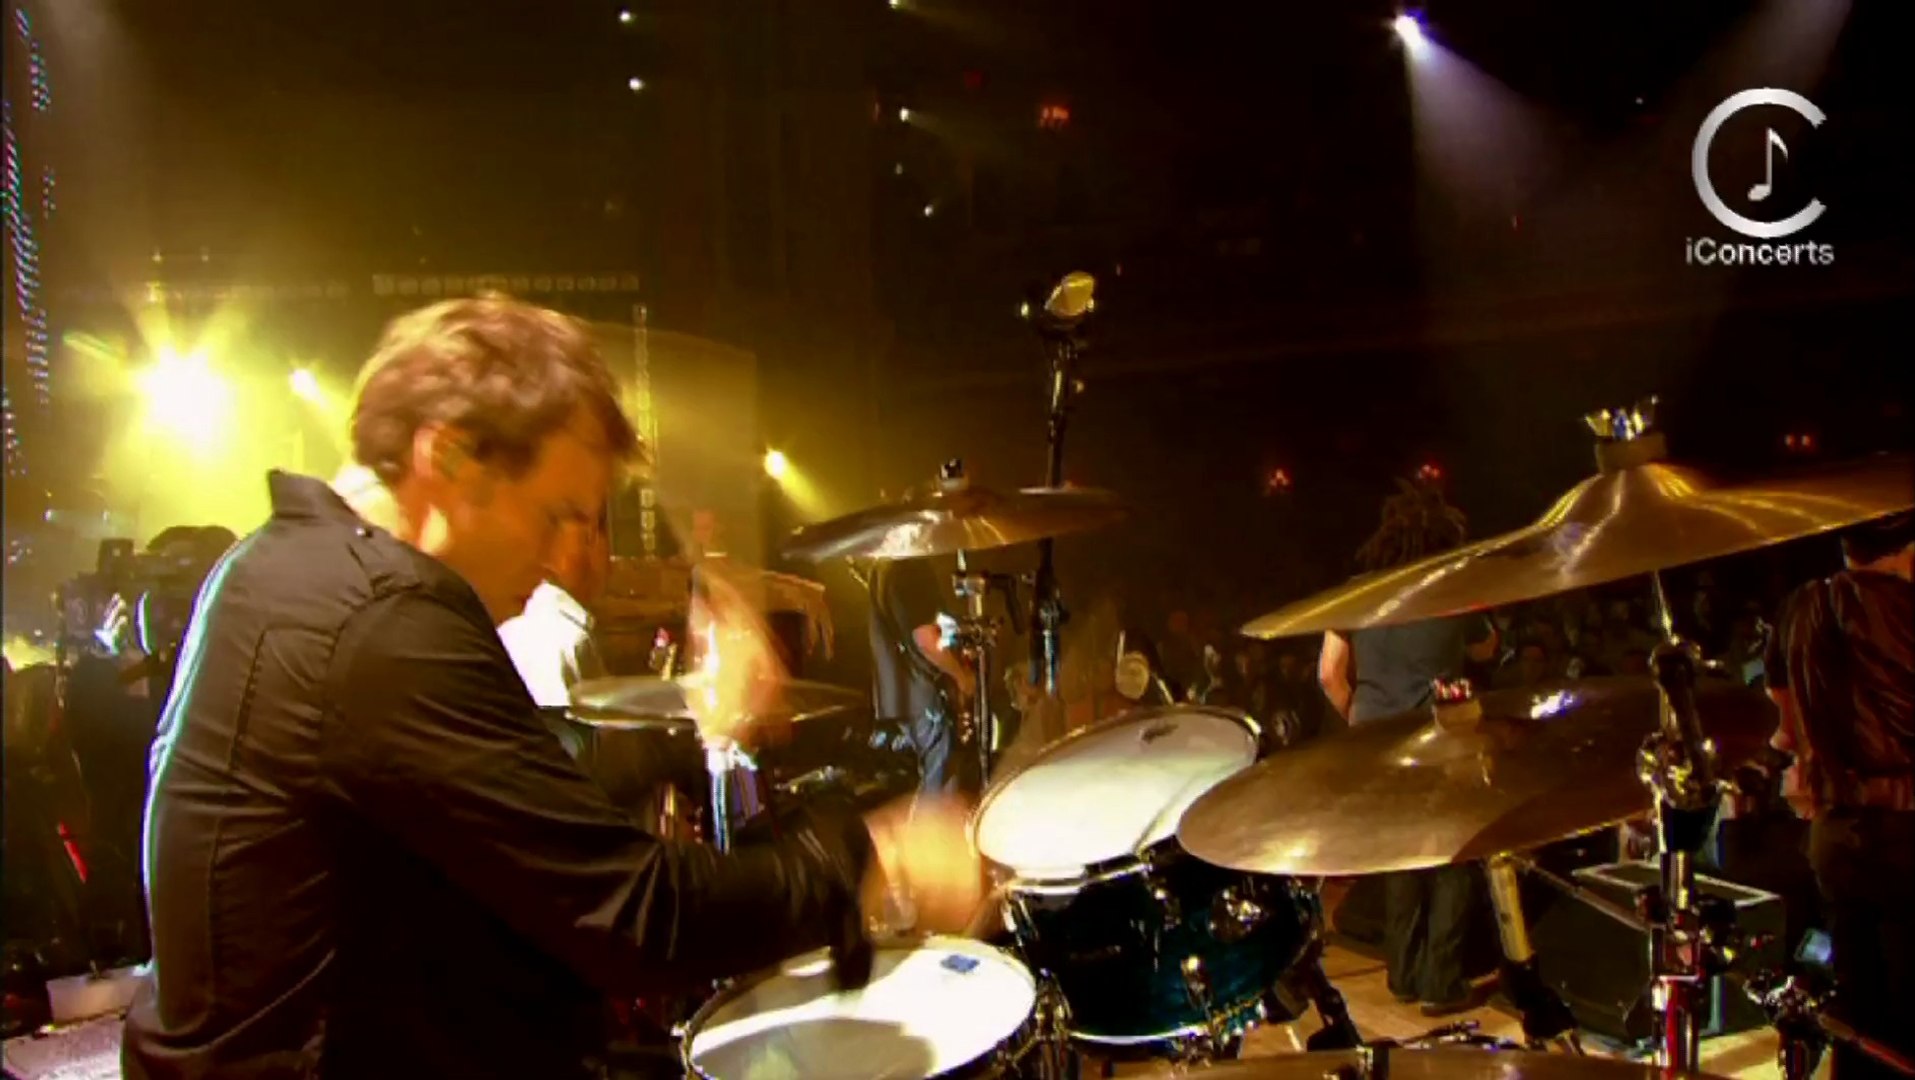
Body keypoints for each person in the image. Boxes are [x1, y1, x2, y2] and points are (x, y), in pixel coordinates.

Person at [124, 295, 979, 1079]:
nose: (567, 560)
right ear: (447, 456)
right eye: (557, 515)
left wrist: (691, 719)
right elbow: (634, 915)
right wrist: (865, 857)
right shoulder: (380, 622)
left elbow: (521, 786)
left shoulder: (286, 570)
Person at [1317, 478, 1499, 1016]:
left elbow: (1328, 673)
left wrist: (1359, 716)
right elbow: (1487, 648)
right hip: (1438, 735)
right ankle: (1439, 982)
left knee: (1401, 852)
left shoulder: (1359, 591)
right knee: (1455, 854)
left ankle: (1401, 972)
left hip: (1378, 739)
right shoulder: (1449, 592)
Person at [1761, 510, 1913, 1080]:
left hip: (1836, 835)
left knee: (1858, 1010)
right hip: (1907, 830)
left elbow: (1783, 732)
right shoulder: (1905, 610)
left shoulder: (1801, 607)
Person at [866, 554, 975, 796]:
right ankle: (929, 823)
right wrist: (961, 676)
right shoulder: (910, 568)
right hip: (922, 694)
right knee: (939, 780)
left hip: (899, 695)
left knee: (936, 778)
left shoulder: (882, 567)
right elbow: (925, 640)